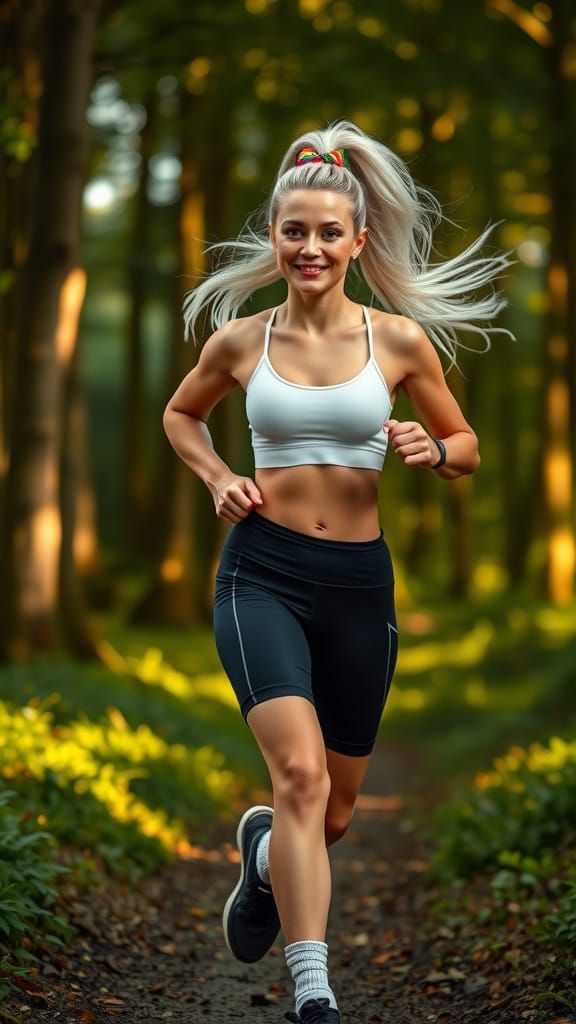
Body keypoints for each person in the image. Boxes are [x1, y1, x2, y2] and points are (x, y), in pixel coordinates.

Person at [162, 120, 513, 1024]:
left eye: (327, 232)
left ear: (358, 241)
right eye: (293, 231)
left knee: (337, 812)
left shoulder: (396, 341)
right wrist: (218, 478)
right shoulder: (242, 341)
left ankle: (266, 857)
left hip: (358, 585)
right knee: (303, 779)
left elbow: (469, 445)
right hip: (262, 575)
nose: (309, 247)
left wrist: (433, 451)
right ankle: (313, 987)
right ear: (273, 237)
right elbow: (181, 416)